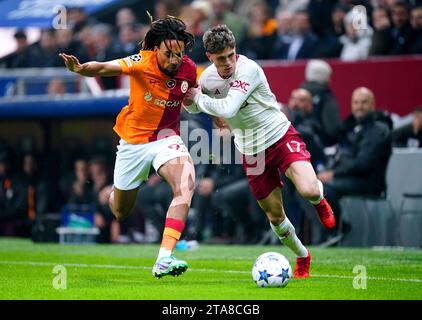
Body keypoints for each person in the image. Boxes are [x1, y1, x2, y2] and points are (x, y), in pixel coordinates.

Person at [184, 25, 336, 278]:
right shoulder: (208, 78)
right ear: (210, 56)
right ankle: (302, 256)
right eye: (221, 58)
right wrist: (190, 99)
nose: (228, 62)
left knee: (308, 189)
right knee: (275, 217)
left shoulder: (249, 69)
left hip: (279, 136)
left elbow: (230, 107)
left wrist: (199, 99)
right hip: (251, 150)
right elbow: (195, 110)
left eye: (231, 54)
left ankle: (319, 201)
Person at [60, 15, 197, 279]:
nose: (173, 60)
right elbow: (102, 68)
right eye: (168, 54)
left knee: (185, 185)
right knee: (121, 211)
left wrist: (215, 114)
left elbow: (192, 95)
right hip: (133, 144)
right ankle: (111, 192)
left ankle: (164, 258)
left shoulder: (188, 69)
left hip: (167, 139)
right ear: (156, 49)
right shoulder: (141, 62)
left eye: (178, 55)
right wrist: (79, 69)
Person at [317, 87, 392, 244]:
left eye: (364, 102)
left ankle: (334, 230)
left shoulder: (378, 130)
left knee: (324, 188)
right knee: (308, 188)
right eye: (356, 102)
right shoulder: (352, 128)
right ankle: (328, 231)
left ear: (373, 104)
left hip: (368, 182)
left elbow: (363, 163)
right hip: (350, 178)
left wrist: (334, 174)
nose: (359, 106)